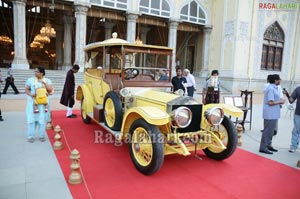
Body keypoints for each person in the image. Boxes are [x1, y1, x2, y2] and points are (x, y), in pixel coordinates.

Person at [25, 67, 53, 143]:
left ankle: (41, 136)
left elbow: (50, 90)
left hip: (44, 104)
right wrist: (31, 94)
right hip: (33, 103)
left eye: (37, 71)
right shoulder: (30, 80)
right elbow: (26, 89)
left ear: (41, 73)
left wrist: (44, 83)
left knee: (42, 119)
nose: (35, 73)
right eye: (35, 71)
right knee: (32, 120)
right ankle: (31, 136)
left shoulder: (47, 80)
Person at [259, 74, 285, 154]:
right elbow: (270, 102)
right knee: (267, 131)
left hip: (274, 113)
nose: (280, 81)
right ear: (275, 80)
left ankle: (268, 145)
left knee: (272, 131)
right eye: (279, 79)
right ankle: (263, 147)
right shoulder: (270, 88)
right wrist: (280, 101)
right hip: (270, 113)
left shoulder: (275, 88)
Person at [283, 86, 300, 153]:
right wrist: (287, 94)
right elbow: (291, 100)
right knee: (296, 131)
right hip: (298, 114)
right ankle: (293, 146)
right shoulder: (298, 89)